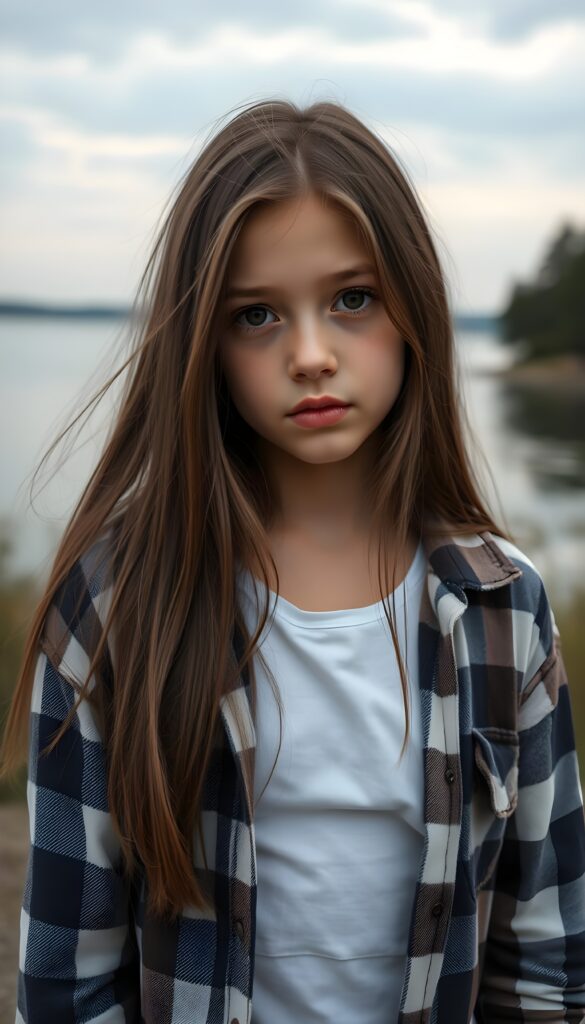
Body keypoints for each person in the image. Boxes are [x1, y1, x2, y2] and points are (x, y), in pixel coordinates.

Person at [1, 98, 584, 1024]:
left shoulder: (503, 607)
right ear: (204, 344)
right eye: (257, 315)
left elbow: (547, 964)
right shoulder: (115, 604)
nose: (311, 355)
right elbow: (66, 983)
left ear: (412, 309)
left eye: (352, 298)